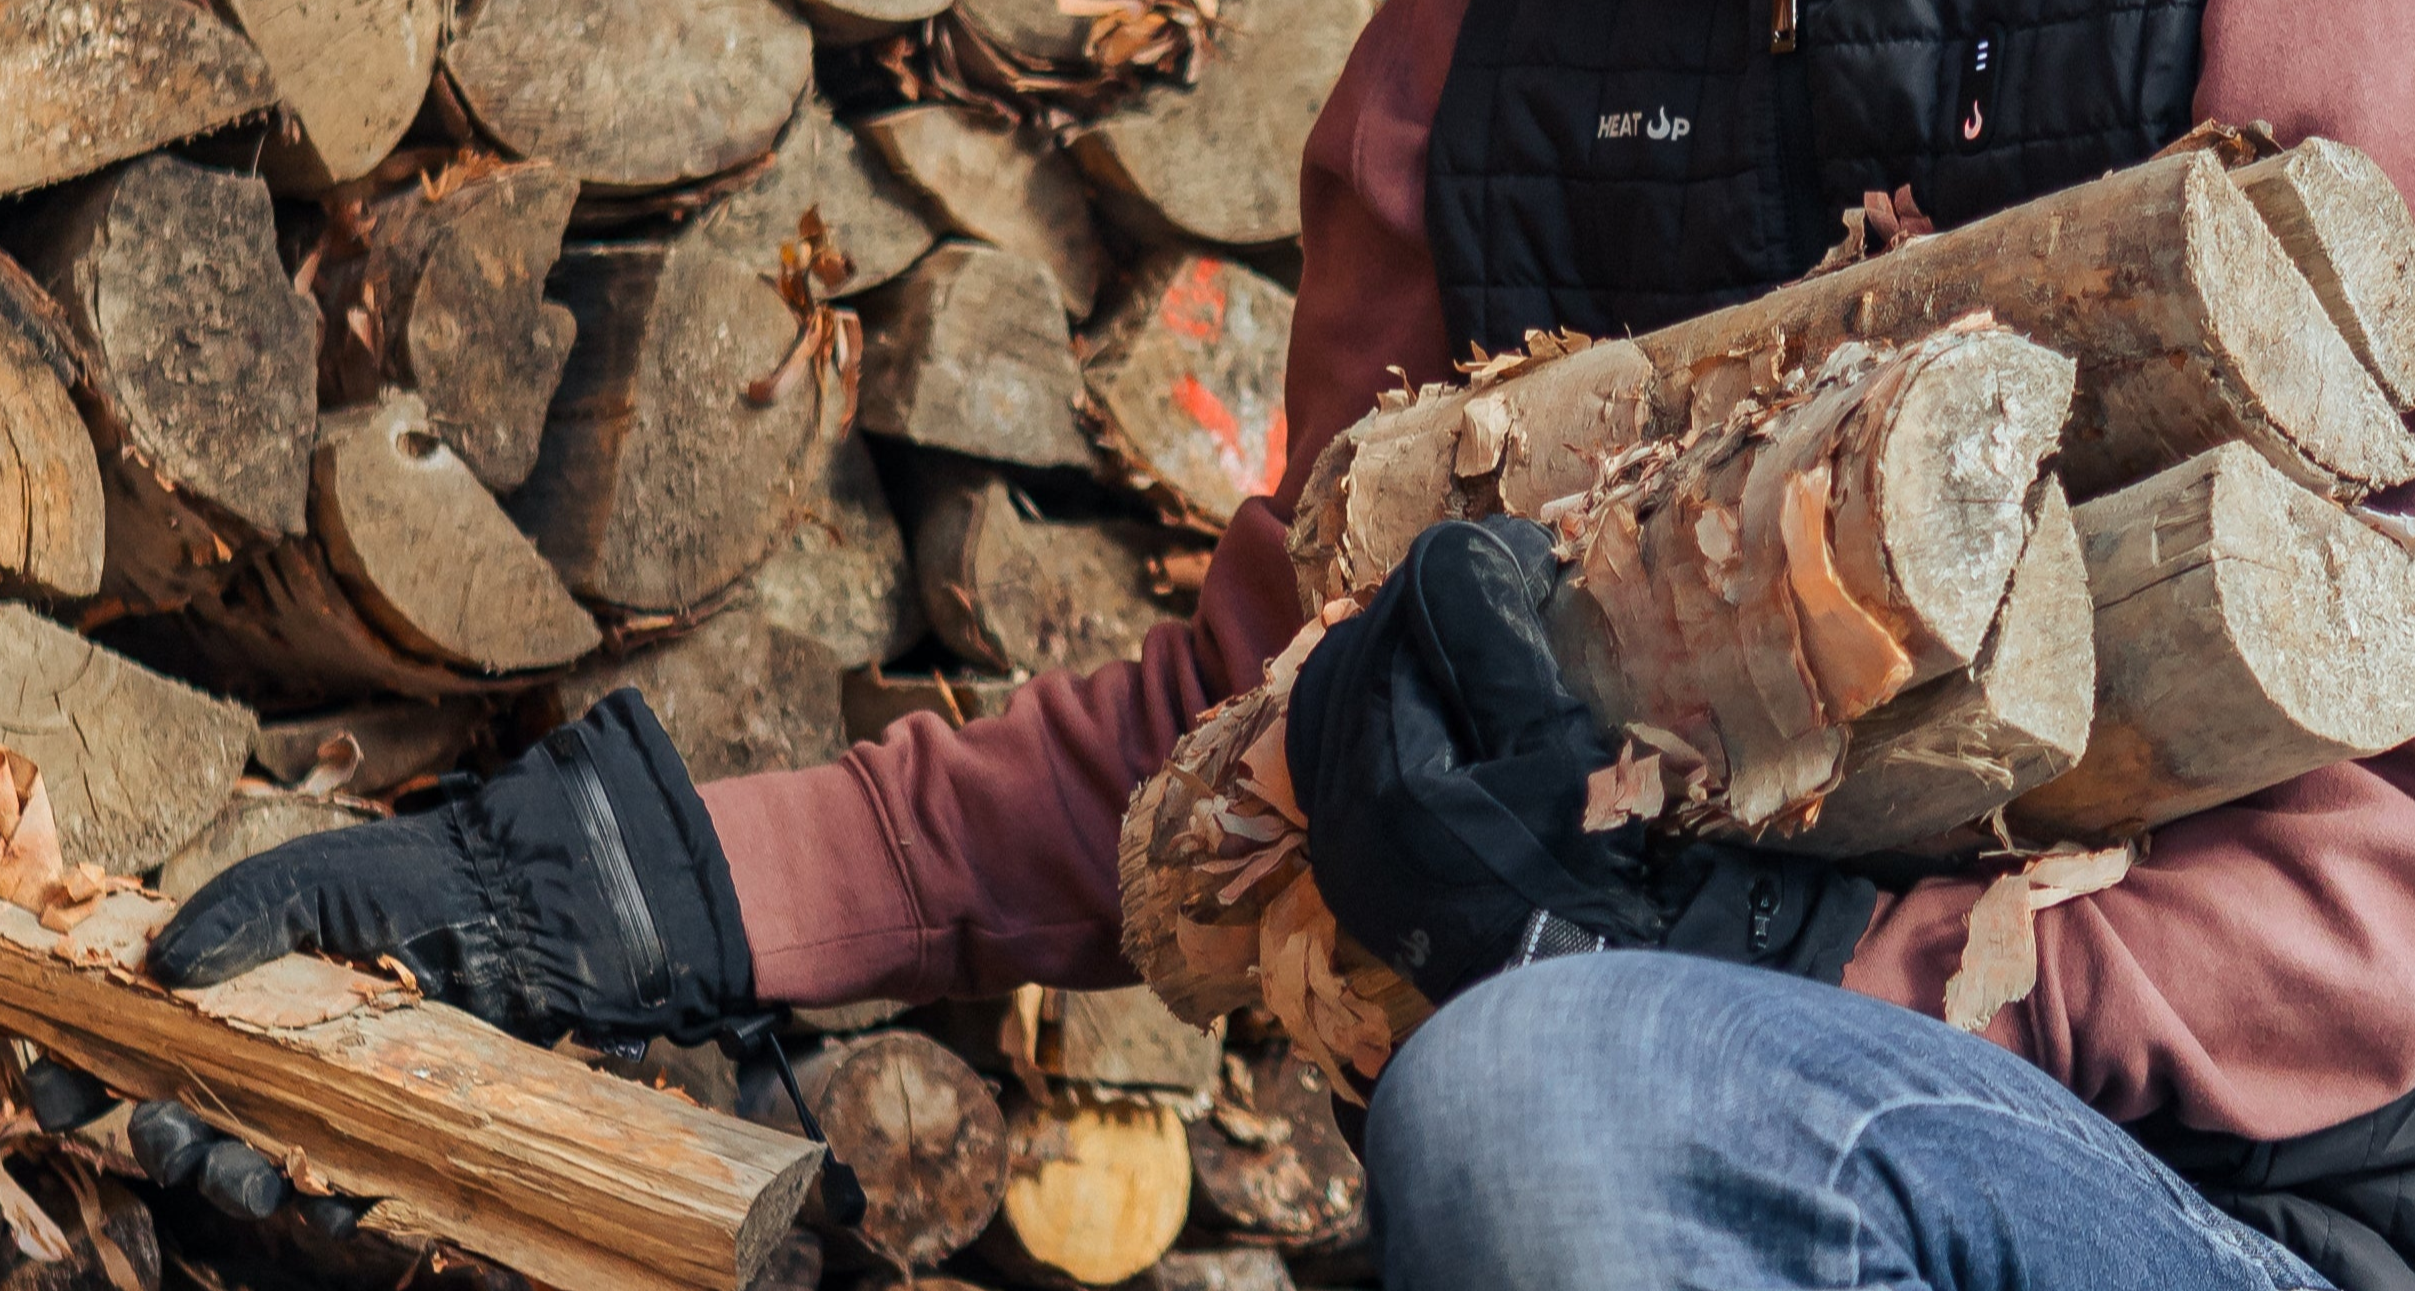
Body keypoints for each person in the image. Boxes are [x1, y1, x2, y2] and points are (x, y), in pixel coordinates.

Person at [121, 0, 2415, 1286]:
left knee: (1551, 1106)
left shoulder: (2328, 40)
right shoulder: (1470, 67)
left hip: (2276, 1232)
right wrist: (631, 895)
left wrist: (1813, 967)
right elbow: (1282, 697)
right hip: (1757, 1138)